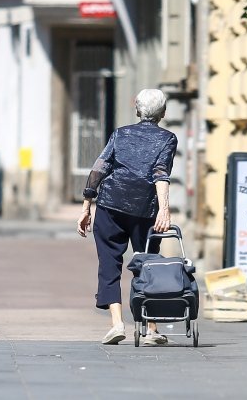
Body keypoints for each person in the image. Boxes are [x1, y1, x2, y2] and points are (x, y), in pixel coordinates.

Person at [76, 88, 177, 346]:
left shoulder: (120, 134)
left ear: (136, 109)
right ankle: (151, 330)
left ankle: (117, 324)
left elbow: (100, 167)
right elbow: (161, 173)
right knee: (147, 264)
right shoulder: (168, 138)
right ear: (163, 113)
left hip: (110, 206)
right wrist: (164, 209)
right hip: (145, 211)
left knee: (109, 263)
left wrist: (87, 205)